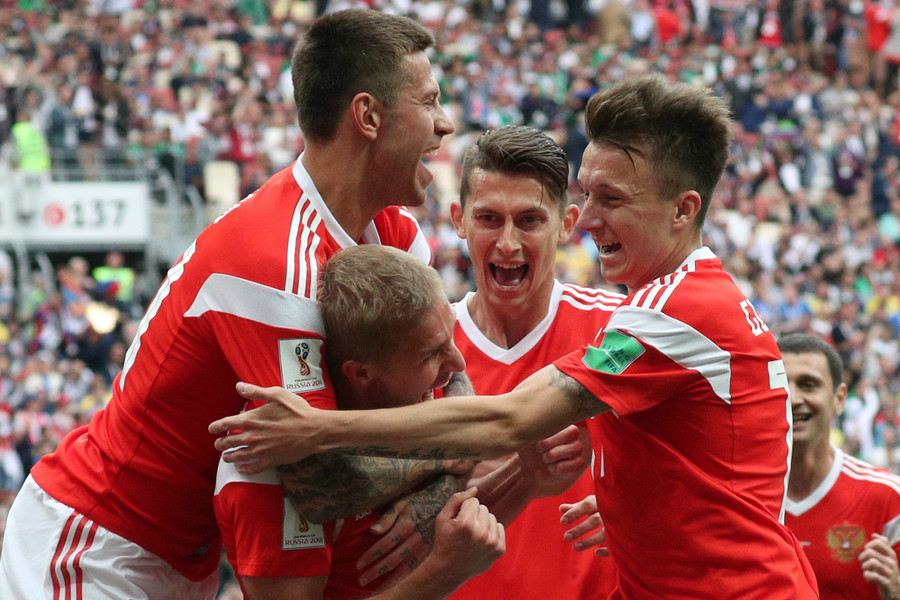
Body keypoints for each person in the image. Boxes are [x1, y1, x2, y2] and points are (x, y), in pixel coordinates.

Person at [211, 73, 820, 599]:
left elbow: (511, 420)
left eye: (611, 200)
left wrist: (316, 430)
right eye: (591, 194)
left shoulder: (664, 312)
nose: (596, 221)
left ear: (684, 210)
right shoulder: (673, 305)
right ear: (459, 223)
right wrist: (637, 511)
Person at [0, 9, 457, 599]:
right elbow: (326, 479)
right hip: (97, 543)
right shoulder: (273, 261)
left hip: (184, 559)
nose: (446, 124)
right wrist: (471, 453)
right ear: (367, 116)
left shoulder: (395, 232)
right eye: (429, 101)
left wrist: (456, 449)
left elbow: (451, 375)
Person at [215, 244, 506, 600]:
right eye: (432, 353)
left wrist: (526, 477)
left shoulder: (422, 386)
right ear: (362, 373)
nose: (458, 364)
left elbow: (471, 516)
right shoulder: (267, 463)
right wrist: (445, 572)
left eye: (453, 337)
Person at [445, 125, 621, 600]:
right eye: (488, 218)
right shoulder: (426, 345)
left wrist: (640, 513)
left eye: (528, 220)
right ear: (458, 219)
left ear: (566, 224)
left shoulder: (620, 332)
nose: (507, 243)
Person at [779, 332, 900, 600]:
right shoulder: (737, 495)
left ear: (839, 398)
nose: (793, 398)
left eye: (808, 385)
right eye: (782, 385)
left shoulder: (889, 498)